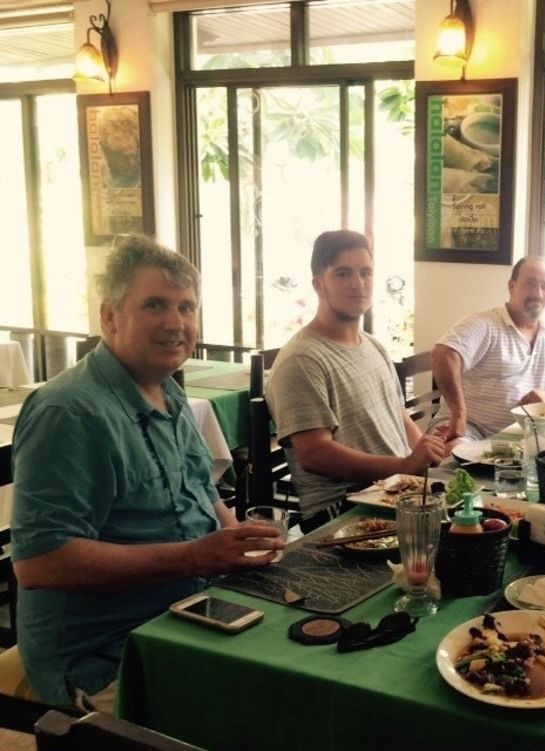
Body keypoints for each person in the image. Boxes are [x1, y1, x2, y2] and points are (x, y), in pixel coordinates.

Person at [11, 236, 284, 712]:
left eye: (186, 307)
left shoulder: (168, 391)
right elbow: (40, 563)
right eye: (155, 305)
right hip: (108, 653)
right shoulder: (67, 412)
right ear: (109, 317)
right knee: (269, 711)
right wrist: (196, 557)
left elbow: (203, 491)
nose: (176, 324)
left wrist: (238, 543)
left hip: (191, 612)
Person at [266, 230, 446, 534]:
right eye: (343, 273)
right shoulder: (302, 359)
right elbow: (315, 454)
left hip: (395, 490)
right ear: (319, 284)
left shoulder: (374, 346)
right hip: (342, 510)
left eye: (366, 273)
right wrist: (404, 467)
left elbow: (399, 417)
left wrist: (427, 458)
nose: (358, 283)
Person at [430, 256, 545, 447]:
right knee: (456, 452)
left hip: (528, 437)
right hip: (472, 430)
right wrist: (459, 414)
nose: (538, 293)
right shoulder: (486, 324)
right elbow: (443, 354)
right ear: (512, 286)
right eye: (530, 284)